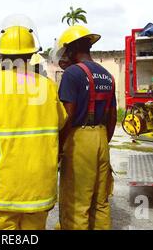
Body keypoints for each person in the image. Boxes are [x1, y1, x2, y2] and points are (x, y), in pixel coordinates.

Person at [0, 15, 68, 230]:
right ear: (31, 54)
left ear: (2, 56)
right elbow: (61, 123)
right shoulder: (47, 88)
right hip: (40, 190)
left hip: (4, 191)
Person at [55, 25, 117, 230]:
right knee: (100, 202)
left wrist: (59, 148)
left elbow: (68, 115)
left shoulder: (72, 74)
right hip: (101, 138)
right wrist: (103, 142)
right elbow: (113, 116)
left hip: (79, 140)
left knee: (76, 204)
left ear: (71, 50)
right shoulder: (108, 75)